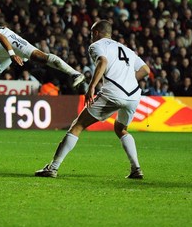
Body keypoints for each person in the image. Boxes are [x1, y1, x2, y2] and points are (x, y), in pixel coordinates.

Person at [35, 20, 150, 179]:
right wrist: (128, 81)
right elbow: (145, 70)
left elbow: (103, 62)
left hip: (113, 93)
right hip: (133, 96)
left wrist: (91, 87)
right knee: (121, 129)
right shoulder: (126, 49)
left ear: (96, 33)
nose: (90, 37)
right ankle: (136, 168)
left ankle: (52, 168)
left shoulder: (96, 46)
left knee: (78, 125)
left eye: (91, 33)